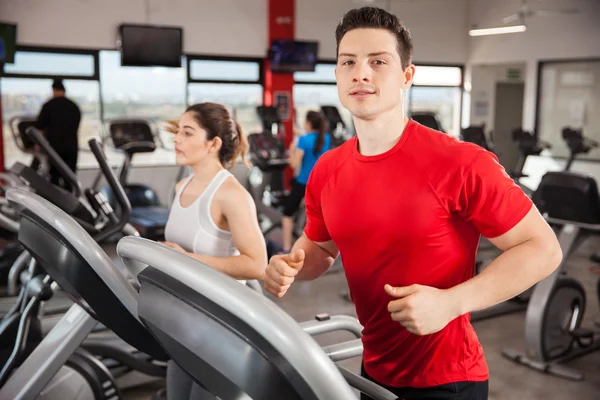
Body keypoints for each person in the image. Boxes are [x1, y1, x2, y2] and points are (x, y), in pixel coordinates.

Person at [263, 7, 562, 400]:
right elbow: (320, 248)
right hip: (373, 370)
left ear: (406, 75)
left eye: (378, 62)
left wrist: (451, 302)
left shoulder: (461, 162)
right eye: (348, 62)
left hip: (448, 381)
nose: (361, 73)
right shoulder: (327, 169)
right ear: (336, 74)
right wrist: (290, 266)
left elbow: (544, 250)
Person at [161, 102, 268, 400]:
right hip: (183, 319)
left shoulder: (232, 195)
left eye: (187, 132)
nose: (176, 139)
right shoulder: (182, 186)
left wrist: (186, 261)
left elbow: (258, 264)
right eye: (177, 131)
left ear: (213, 143)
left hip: (221, 326)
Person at [281, 110, 331, 253]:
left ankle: (286, 248)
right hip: (320, 184)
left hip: (304, 183)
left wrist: (292, 148)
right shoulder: (326, 138)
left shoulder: (303, 140)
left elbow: (293, 164)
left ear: (308, 123)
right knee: (314, 214)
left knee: (287, 214)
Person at [34, 79, 81, 191]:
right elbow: (76, 126)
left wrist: (37, 144)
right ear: (64, 90)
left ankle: (57, 205)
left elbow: (39, 127)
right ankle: (71, 204)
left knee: (55, 178)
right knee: (70, 177)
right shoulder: (74, 106)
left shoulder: (48, 106)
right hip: (71, 148)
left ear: (54, 90)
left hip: (55, 148)